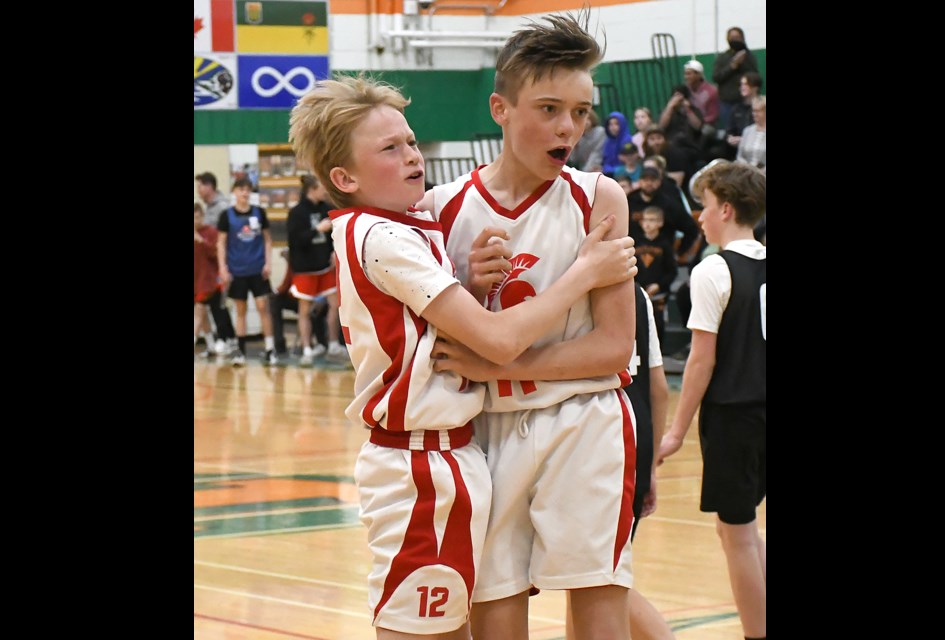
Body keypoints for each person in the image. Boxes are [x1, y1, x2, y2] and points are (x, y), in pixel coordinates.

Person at [287, 72, 638, 639]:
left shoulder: (407, 226)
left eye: (411, 141)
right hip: (419, 461)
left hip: (463, 453)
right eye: (389, 148)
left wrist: (471, 289)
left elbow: (437, 333)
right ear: (344, 177)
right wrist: (585, 273)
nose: (411, 155)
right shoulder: (384, 235)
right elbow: (495, 342)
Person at [422, 11, 652, 639]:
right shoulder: (440, 212)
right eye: (549, 108)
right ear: (500, 107)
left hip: (584, 421)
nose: (568, 127)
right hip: (484, 434)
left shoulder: (600, 199)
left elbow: (612, 349)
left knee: (600, 604)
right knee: (496, 615)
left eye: (580, 112)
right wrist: (469, 287)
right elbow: (433, 341)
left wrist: (500, 364)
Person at [658, 160, 766, 640]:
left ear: (724, 208)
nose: (698, 217)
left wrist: (676, 430)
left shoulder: (714, 269)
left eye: (702, 207)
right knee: (736, 532)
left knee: (738, 534)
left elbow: (700, 362)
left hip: (735, 416)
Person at [566, 283, 674, 640]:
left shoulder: (569, 283)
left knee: (599, 580)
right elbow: (658, 387)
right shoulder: (638, 292)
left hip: (595, 441)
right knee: (588, 584)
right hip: (636, 437)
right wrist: (650, 464)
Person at [285, 174, 348, 366]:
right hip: (305, 269)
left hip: (324, 267)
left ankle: (333, 345)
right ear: (312, 189)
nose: (325, 191)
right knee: (304, 310)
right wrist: (317, 230)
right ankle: (306, 349)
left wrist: (334, 252)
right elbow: (295, 241)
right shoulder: (297, 213)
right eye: (322, 187)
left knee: (336, 305)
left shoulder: (326, 209)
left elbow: (336, 235)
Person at [216, 176, 279, 366]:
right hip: (237, 271)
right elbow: (221, 243)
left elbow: (268, 239)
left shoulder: (259, 212)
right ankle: (240, 352)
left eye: (247, 190)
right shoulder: (226, 216)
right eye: (241, 189)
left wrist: (268, 263)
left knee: (263, 308)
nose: (244, 193)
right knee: (240, 311)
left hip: (258, 270)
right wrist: (223, 268)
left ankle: (270, 349)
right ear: (234, 192)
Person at [196, 171, 237, 352]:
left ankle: (227, 337)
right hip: (210, 263)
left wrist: (224, 264)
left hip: (223, 261)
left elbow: (224, 238)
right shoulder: (208, 207)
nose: (197, 190)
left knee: (218, 302)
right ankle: (224, 338)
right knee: (215, 303)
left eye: (199, 186)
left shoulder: (222, 208)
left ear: (209, 186)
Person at [632, 206, 677, 343]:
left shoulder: (665, 245)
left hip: (658, 295)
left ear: (660, 223)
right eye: (645, 219)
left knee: (657, 326)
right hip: (637, 291)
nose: (647, 223)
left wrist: (659, 285)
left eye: (652, 220)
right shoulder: (635, 242)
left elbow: (672, 271)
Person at [711, 27, 760, 131]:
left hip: (746, 102)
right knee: (729, 132)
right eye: (732, 37)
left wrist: (743, 62)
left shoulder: (749, 56)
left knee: (749, 130)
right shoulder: (722, 57)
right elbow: (716, 77)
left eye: (737, 37)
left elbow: (755, 77)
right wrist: (732, 66)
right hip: (727, 102)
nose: (734, 40)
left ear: (742, 38)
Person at [723, 72, 763, 161]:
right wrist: (730, 138)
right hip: (738, 149)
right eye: (741, 84)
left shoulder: (763, 107)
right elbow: (729, 131)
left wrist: (744, 139)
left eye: (746, 84)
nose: (742, 87)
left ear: (755, 87)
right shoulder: (736, 108)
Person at [568, 108, 606, 172]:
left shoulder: (600, 132)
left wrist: (585, 172)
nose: (585, 122)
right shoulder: (579, 135)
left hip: (600, 167)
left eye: (587, 119)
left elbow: (596, 154)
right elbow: (574, 159)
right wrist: (575, 146)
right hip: (585, 169)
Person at [736, 96, 766, 171]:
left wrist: (760, 173)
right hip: (746, 173)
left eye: (758, 111)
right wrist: (747, 169)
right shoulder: (747, 130)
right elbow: (740, 156)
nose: (754, 114)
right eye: (753, 111)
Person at [601, 110, 634, 176]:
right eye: (610, 124)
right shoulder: (608, 142)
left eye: (616, 124)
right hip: (609, 172)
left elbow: (627, 160)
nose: (613, 127)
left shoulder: (627, 140)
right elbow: (606, 160)